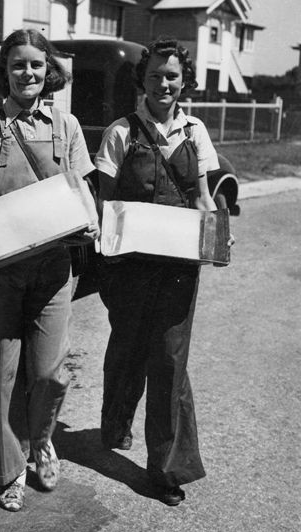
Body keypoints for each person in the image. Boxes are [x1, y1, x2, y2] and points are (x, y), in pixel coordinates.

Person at [0, 28, 97, 512]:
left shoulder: (66, 125)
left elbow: (81, 187)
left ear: (49, 71)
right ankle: (8, 471)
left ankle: (41, 441)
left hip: (53, 271)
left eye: (36, 65)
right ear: (2, 74)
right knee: (0, 377)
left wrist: (91, 220)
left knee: (49, 374)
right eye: (17, 66)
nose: (28, 73)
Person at [95, 36, 227, 506]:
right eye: (155, 75)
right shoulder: (121, 132)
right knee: (127, 349)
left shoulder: (196, 131)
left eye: (172, 75)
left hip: (177, 268)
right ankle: (116, 425)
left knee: (170, 361)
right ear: (143, 80)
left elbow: (201, 197)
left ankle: (166, 468)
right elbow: (104, 201)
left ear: (184, 80)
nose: (163, 84)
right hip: (128, 267)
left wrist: (216, 236)